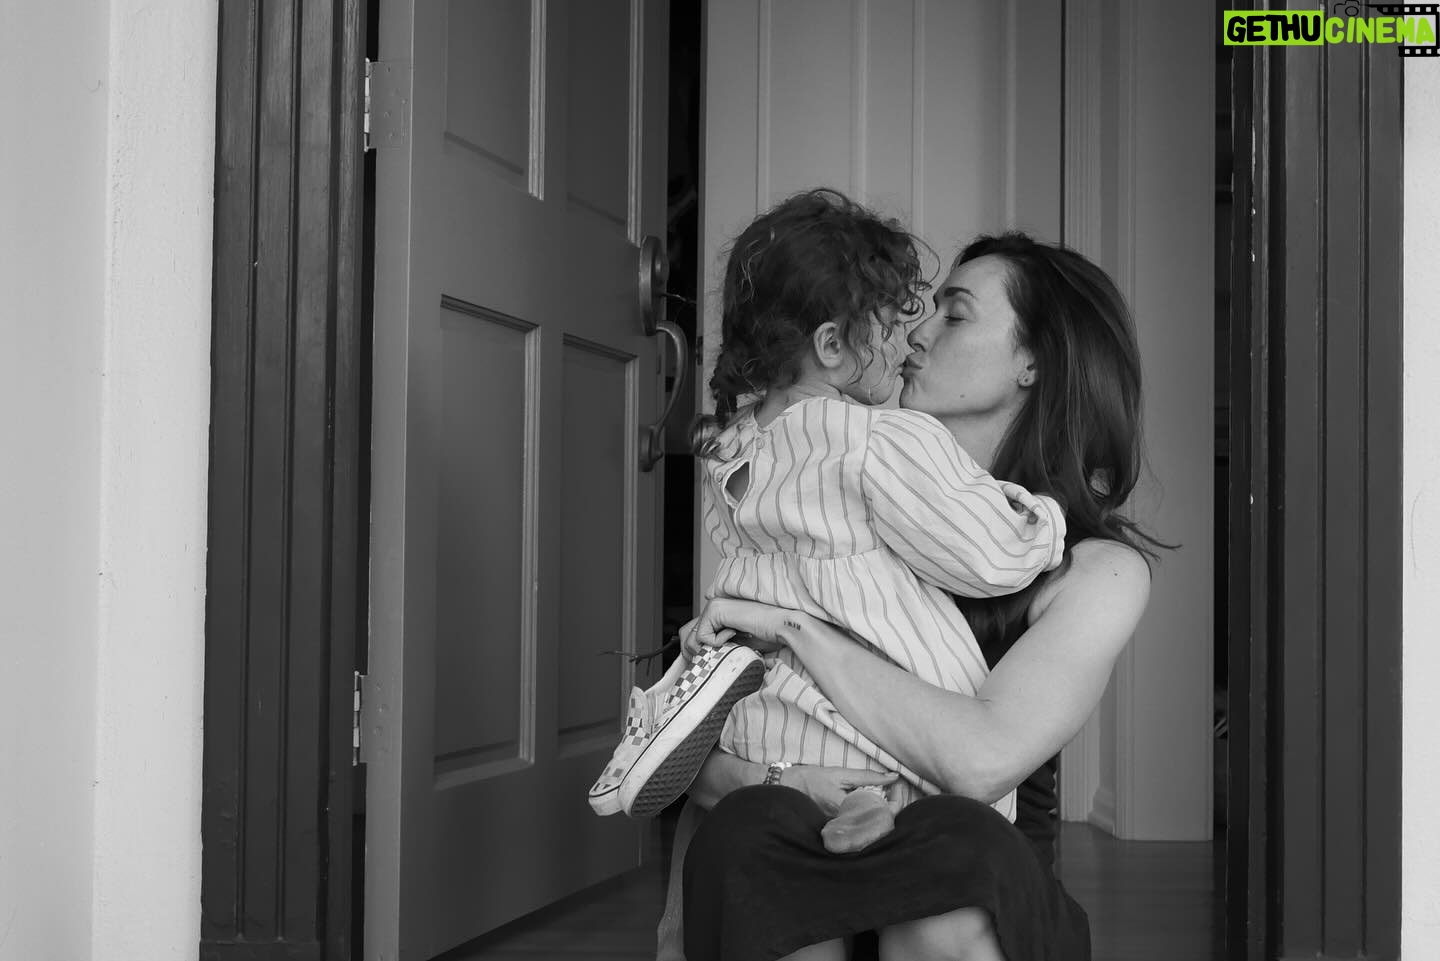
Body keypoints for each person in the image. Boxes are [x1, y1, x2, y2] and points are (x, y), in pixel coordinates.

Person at [662, 231, 1163, 961]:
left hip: (972, 896)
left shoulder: (1097, 569)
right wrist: (789, 776)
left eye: (953, 315)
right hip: (803, 861)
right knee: (745, 830)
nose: (915, 334)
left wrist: (798, 632)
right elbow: (697, 761)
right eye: (924, 312)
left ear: (1033, 361)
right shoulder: (824, 508)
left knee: (950, 848)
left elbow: (978, 759)